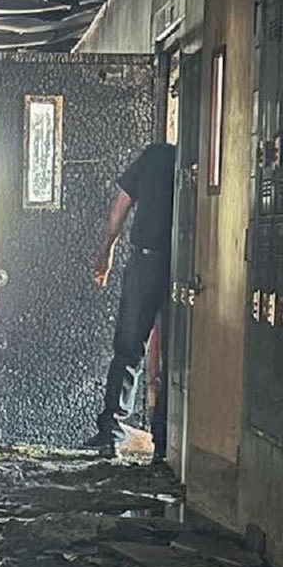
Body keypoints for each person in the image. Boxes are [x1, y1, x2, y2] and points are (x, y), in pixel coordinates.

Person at [83, 140, 177, 454]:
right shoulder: (197, 155)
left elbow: (121, 203)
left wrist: (106, 250)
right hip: (184, 264)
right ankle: (164, 441)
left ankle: (113, 432)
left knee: (129, 349)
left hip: (148, 261)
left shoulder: (156, 156)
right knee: (174, 357)